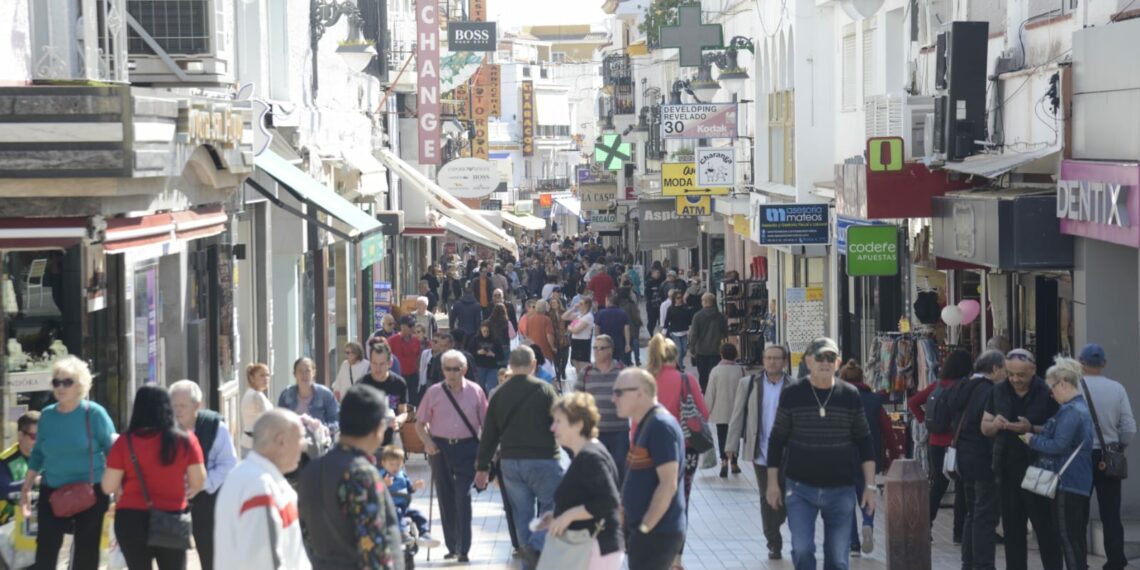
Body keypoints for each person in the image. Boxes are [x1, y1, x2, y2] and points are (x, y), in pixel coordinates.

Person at [764, 337, 875, 570]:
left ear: (838, 363)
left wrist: (870, 486)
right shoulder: (793, 393)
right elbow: (777, 440)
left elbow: (865, 442)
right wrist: (772, 483)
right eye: (820, 357)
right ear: (808, 361)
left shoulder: (850, 394)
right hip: (800, 488)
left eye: (830, 358)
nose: (825, 362)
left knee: (838, 559)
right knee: (802, 550)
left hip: (841, 488)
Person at [21, 356, 115, 570]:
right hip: (53, 490)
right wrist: (27, 486)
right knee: (45, 551)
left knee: (86, 553)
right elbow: (38, 454)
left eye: (67, 382)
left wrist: (117, 488)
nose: (61, 388)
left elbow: (113, 452)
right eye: (57, 382)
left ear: (80, 384)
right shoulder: (47, 416)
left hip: (90, 492)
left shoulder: (94, 413)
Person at [474, 346, 564, 569]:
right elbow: (561, 423)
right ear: (534, 364)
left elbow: (489, 434)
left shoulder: (499, 394)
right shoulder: (545, 389)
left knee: (521, 514)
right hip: (544, 460)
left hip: (511, 462)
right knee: (551, 509)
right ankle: (539, 550)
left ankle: (528, 561)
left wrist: (483, 467)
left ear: (511, 366)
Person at [296, 385, 403, 568]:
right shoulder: (361, 474)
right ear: (378, 428)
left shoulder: (310, 471)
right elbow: (374, 549)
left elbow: (304, 537)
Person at [102, 385, 207, 570]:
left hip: (131, 518)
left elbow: (108, 486)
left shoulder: (125, 442)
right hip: (171, 517)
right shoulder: (186, 440)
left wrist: (120, 486)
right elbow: (198, 482)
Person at [980, 348, 1062, 570]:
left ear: (1033, 370)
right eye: (1011, 374)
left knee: (1046, 530)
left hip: (1039, 469)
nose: (1015, 379)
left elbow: (1059, 430)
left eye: (1021, 375)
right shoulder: (998, 391)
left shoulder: (1046, 392)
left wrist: (1031, 428)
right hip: (1007, 470)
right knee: (1013, 531)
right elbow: (984, 426)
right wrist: (995, 425)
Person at [415, 350, 489, 562]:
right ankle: (452, 545)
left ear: (464, 370)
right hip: (440, 449)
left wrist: (483, 456)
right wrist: (427, 442)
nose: (452, 373)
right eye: (448, 369)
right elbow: (420, 423)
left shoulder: (476, 391)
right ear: (442, 370)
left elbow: (487, 426)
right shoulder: (434, 392)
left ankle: (463, 548)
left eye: (456, 369)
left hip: (467, 448)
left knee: (463, 496)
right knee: (445, 497)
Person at [537, 392, 624, 569]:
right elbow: (587, 497)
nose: (552, 428)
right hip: (590, 546)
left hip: (597, 547)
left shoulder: (590, 457)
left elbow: (608, 500)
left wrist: (568, 516)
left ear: (578, 424)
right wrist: (557, 516)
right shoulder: (586, 454)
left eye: (558, 421)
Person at [1023, 357, 1095, 570]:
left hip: (1067, 481)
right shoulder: (1080, 408)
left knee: (1067, 538)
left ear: (1063, 383)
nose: (1051, 394)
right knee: (1075, 537)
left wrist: (1032, 440)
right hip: (1077, 480)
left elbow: (1058, 445)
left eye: (1052, 388)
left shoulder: (1071, 411)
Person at [612, 368, 686, 569]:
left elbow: (668, 484)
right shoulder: (646, 424)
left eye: (619, 393)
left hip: (656, 533)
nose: (613, 399)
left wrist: (645, 528)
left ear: (639, 393)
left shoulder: (660, 426)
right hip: (645, 533)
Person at [216, 409, 310, 569]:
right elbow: (264, 561)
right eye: (300, 438)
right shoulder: (261, 487)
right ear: (281, 441)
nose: (304, 446)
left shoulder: (245, 477)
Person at [645, 333, 708, 565]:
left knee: (653, 498)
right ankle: (676, 559)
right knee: (681, 500)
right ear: (676, 355)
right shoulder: (687, 380)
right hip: (685, 449)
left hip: (651, 449)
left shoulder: (646, 381)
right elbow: (704, 413)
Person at [725, 344, 792, 560]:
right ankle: (773, 542)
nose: (772, 362)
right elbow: (737, 415)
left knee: (787, 495)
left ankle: (778, 521)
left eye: (776, 358)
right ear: (763, 360)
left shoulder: (794, 386)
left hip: (788, 453)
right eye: (768, 358)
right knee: (766, 496)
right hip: (761, 450)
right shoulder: (749, 384)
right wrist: (731, 445)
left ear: (784, 362)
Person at [1077, 343, 1135, 570]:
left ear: (1080, 362)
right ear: (1104, 364)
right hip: (1108, 454)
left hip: (1080, 455)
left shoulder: (1073, 386)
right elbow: (1129, 426)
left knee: (1078, 512)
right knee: (1111, 513)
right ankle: (1116, 560)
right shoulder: (1117, 388)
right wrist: (1120, 445)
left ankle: (1078, 561)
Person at [168, 380, 237, 570]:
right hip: (172, 502)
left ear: (196, 405)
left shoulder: (214, 427)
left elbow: (228, 463)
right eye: (174, 405)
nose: (177, 410)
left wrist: (201, 484)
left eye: (182, 406)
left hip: (208, 499)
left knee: (210, 556)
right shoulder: (166, 427)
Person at [906, 349, 972, 542]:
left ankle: (924, 527)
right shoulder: (964, 388)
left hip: (935, 442)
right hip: (956, 442)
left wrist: (925, 422)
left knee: (937, 486)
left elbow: (913, 402)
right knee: (961, 486)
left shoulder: (937, 385)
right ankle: (959, 532)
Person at [955, 350, 1007, 570]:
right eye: (1004, 370)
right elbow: (987, 427)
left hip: (964, 457)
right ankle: (984, 565)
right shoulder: (988, 391)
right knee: (985, 515)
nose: (1006, 376)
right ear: (994, 369)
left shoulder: (963, 386)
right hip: (983, 459)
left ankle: (968, 562)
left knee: (972, 512)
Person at [838, 360, 890, 556]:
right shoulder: (874, 400)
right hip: (868, 455)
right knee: (867, 492)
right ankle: (868, 523)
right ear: (862, 378)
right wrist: (894, 454)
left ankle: (853, 545)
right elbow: (887, 428)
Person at [576, 334, 628, 483]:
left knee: (620, 469)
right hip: (594, 432)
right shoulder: (586, 372)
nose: (597, 351)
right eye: (595, 348)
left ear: (610, 350)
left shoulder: (623, 371)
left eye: (601, 348)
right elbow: (576, 400)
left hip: (619, 431)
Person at [704, 343, 746, 478]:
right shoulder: (740, 370)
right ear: (735, 355)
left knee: (722, 436)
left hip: (720, 410)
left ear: (721, 355)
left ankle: (723, 461)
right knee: (734, 437)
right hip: (736, 410)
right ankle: (734, 463)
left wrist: (706, 410)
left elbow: (710, 392)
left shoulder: (716, 371)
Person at [359, 343, 409, 446]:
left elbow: (404, 412)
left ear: (390, 363)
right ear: (370, 362)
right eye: (374, 363)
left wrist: (398, 421)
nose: (377, 369)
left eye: (382, 364)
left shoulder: (399, 384)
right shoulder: (361, 384)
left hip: (391, 441)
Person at [277, 357, 340, 432]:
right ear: (294, 374)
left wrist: (325, 429)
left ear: (313, 373)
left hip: (318, 437)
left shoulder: (325, 394)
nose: (304, 374)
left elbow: (335, 420)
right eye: (300, 371)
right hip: (293, 437)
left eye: (307, 371)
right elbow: (279, 421)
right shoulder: (286, 395)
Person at [0, 412, 38, 525]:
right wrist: (33, 481)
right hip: (9, 523)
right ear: (21, 435)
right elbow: (3, 489)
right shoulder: (4, 460)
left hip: (44, 521)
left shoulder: (50, 457)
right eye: (34, 437)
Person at [688, 293, 729, 392]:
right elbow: (725, 333)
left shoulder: (698, 316)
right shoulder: (720, 316)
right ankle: (714, 391)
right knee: (714, 373)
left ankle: (705, 392)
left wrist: (691, 348)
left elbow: (694, 334)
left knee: (703, 375)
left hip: (701, 351)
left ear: (704, 302)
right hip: (716, 350)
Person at [241, 362, 274, 456]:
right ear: (252, 378)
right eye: (262, 375)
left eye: (267, 375)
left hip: (253, 443)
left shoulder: (255, 393)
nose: (266, 378)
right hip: (256, 445)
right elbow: (267, 419)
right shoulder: (255, 395)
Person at [389, 315, 425, 400]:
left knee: (413, 402)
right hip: (397, 377)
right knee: (398, 401)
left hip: (413, 377)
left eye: (413, 325)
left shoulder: (416, 341)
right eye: (410, 325)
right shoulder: (392, 341)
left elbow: (418, 359)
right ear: (402, 327)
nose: (412, 328)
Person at [595, 292, 632, 365]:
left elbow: (597, 328)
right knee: (618, 361)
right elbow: (626, 329)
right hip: (619, 341)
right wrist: (627, 344)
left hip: (605, 341)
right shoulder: (623, 313)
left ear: (608, 301)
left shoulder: (601, 313)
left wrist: (598, 340)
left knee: (605, 361)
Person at [662, 290, 694, 371]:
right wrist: (664, 333)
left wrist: (690, 329)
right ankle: (679, 367)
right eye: (677, 298)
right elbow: (666, 321)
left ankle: (679, 363)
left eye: (680, 297)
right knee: (679, 350)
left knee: (684, 350)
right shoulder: (670, 309)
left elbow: (689, 319)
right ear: (674, 299)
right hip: (674, 332)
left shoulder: (685, 308)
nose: (679, 299)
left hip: (684, 331)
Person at [469, 322, 505, 393]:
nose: (485, 333)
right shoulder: (475, 339)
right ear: (481, 330)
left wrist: (493, 354)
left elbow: (502, 357)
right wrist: (478, 352)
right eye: (484, 331)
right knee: (479, 388)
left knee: (492, 388)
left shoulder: (495, 340)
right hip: (480, 366)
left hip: (492, 367)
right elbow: (470, 353)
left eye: (487, 331)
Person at [521, 299, 556, 369]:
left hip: (533, 348)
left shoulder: (529, 319)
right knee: (546, 368)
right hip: (544, 349)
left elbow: (526, 335)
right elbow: (549, 335)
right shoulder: (547, 319)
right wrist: (552, 347)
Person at [565, 297, 595, 378]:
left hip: (583, 342)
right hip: (575, 341)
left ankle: (585, 381)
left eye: (581, 304)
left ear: (587, 305)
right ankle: (579, 381)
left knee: (583, 365)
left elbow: (575, 330)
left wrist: (570, 328)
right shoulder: (579, 315)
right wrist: (573, 308)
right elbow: (564, 317)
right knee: (576, 365)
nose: (579, 305)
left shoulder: (588, 316)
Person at [613, 286, 643, 366]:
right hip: (632, 328)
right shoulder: (631, 304)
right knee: (635, 343)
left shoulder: (617, 305)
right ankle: (637, 360)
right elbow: (635, 316)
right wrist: (638, 323)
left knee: (624, 345)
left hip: (620, 330)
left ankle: (627, 361)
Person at [548, 297, 572, 385]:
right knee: (556, 358)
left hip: (564, 337)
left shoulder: (564, 312)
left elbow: (573, 321)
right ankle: (558, 374)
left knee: (565, 356)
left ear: (559, 304)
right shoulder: (549, 314)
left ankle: (563, 370)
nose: (553, 304)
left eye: (555, 303)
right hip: (554, 337)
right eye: (551, 303)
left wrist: (569, 331)